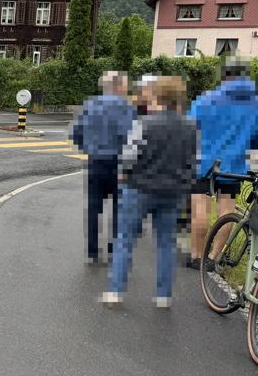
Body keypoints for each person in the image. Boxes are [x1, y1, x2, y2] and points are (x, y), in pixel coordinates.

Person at [103, 76, 197, 307]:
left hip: (139, 188)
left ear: (158, 97)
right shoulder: (190, 127)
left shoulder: (144, 124)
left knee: (125, 239)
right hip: (172, 191)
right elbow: (192, 161)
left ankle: (116, 291)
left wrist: (123, 173)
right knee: (166, 243)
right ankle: (163, 295)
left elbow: (129, 156)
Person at [187, 58, 258, 270]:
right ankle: (213, 257)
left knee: (200, 208)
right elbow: (255, 140)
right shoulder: (254, 105)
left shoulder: (207, 99)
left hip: (203, 164)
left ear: (225, 76)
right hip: (233, 167)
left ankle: (196, 256)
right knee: (226, 212)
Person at [71, 71, 137, 265]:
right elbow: (132, 139)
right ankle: (114, 250)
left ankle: (92, 251)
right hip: (120, 164)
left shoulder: (90, 105)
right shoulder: (127, 108)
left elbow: (76, 133)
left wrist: (88, 149)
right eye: (125, 85)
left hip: (95, 162)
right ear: (118, 86)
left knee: (94, 208)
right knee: (119, 209)